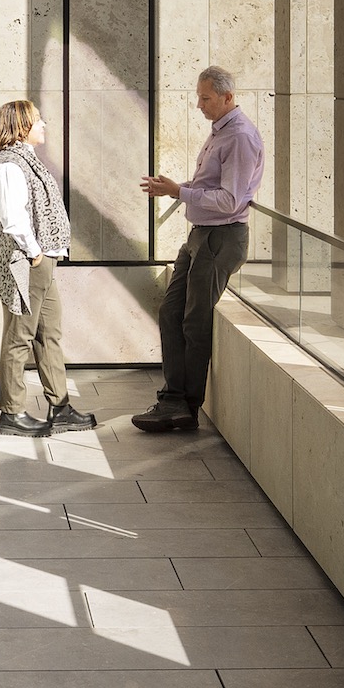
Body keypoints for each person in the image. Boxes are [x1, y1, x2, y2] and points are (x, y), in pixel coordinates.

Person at [133, 67, 264, 434]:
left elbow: (231, 200)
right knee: (170, 311)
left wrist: (179, 192)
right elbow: (211, 187)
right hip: (200, 235)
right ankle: (172, 398)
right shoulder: (220, 132)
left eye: (205, 98)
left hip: (221, 238)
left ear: (227, 97)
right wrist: (178, 188)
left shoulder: (239, 137)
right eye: (199, 96)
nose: (199, 104)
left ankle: (186, 407)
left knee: (194, 320)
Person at [0, 98, 98, 438]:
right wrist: (34, 252)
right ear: (21, 127)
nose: (44, 124)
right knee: (20, 336)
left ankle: (59, 406)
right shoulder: (9, 163)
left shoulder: (26, 159)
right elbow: (11, 216)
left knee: (49, 334)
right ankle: (12, 414)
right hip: (27, 261)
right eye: (37, 120)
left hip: (43, 260)